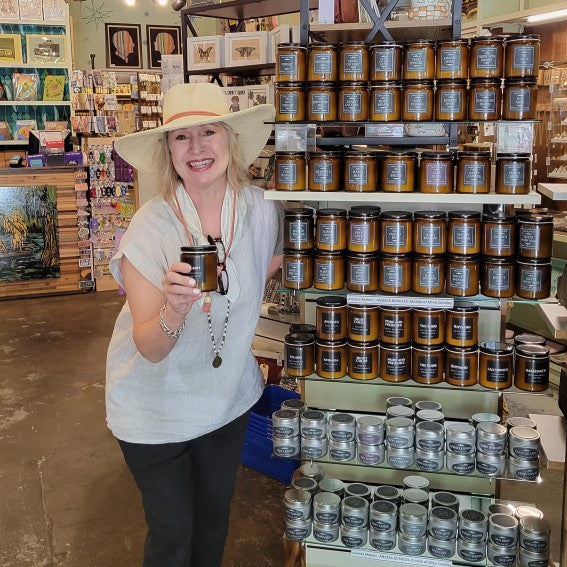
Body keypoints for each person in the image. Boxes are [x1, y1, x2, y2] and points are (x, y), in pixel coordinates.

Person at [106, 82, 281, 567]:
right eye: (182, 137)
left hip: (225, 401)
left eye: (209, 132)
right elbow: (150, 346)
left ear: (231, 139)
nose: (198, 148)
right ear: (168, 151)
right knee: (172, 535)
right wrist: (175, 309)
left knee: (213, 522)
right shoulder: (151, 226)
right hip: (152, 411)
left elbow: (264, 264)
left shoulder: (262, 209)